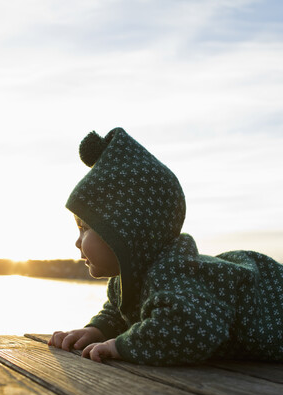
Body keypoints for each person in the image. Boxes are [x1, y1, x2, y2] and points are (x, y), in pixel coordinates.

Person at [48, 127, 283, 365]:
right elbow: (122, 314)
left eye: (85, 228)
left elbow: (191, 330)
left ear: (126, 231)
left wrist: (122, 346)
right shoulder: (124, 282)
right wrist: (97, 330)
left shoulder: (173, 272)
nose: (77, 241)